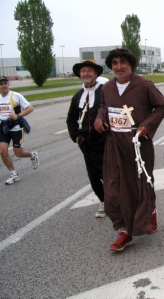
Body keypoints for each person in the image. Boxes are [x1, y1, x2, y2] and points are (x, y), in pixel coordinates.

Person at [94, 48, 164, 252]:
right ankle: (124, 230)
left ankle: (149, 210)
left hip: (137, 145)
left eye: (123, 62)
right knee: (112, 188)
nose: (119, 66)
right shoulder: (107, 88)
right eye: (115, 63)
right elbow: (103, 106)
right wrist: (100, 119)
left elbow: (162, 107)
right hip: (114, 145)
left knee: (140, 185)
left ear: (131, 65)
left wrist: (147, 125)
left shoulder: (144, 85)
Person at [67, 61, 107, 218]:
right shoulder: (77, 96)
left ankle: (117, 201)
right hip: (86, 143)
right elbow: (71, 119)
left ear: (96, 74)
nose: (86, 74)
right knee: (93, 176)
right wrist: (76, 137)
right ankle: (103, 201)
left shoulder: (105, 91)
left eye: (89, 71)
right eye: (83, 71)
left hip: (105, 141)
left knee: (109, 175)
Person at [0, 75, 39, 185]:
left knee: (18, 153)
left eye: (5, 83)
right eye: (1, 84)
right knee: (3, 151)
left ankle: (32, 155)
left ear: (8, 84)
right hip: (4, 128)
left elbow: (30, 108)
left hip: (17, 127)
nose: (3, 86)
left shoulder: (15, 96)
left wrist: (18, 116)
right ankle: (13, 174)